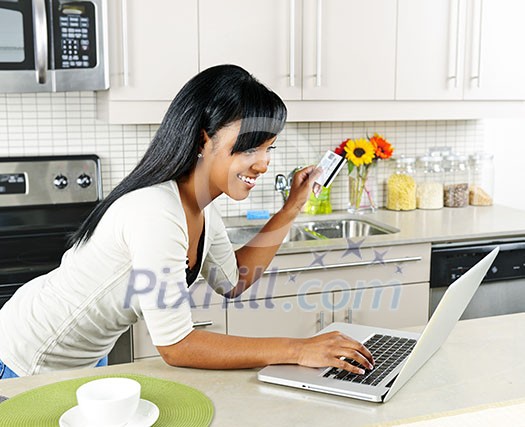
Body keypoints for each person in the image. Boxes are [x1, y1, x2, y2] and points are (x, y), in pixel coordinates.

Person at [0, 64, 373, 378]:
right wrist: (298, 349)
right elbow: (177, 345)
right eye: (249, 146)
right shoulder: (156, 212)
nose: (263, 163)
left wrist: (291, 207)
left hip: (83, 354)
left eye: (269, 148)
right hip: (28, 355)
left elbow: (233, 280)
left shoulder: (201, 207)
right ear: (203, 139)